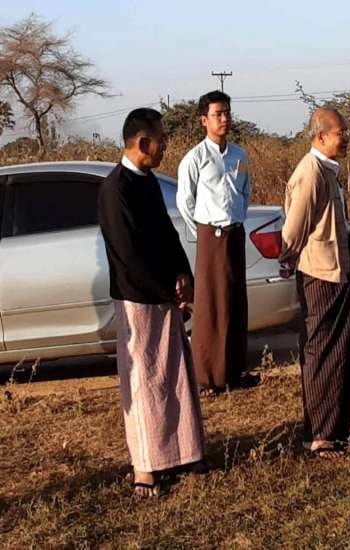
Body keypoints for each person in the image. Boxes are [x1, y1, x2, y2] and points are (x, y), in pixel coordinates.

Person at [98, 108, 205, 497]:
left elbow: (167, 235)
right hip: (138, 299)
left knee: (174, 377)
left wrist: (184, 274)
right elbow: (128, 254)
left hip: (164, 295)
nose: (165, 146)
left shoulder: (147, 182)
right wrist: (165, 289)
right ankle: (145, 467)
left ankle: (181, 453)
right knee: (144, 384)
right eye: (162, 139)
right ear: (143, 142)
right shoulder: (116, 189)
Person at [280, 108, 350, 459]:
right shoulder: (310, 173)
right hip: (321, 273)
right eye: (341, 133)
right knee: (323, 351)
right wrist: (287, 259)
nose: (346, 138)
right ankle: (321, 434)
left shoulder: (328, 169)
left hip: (341, 268)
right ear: (321, 136)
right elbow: (294, 228)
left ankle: (349, 420)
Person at [177, 90, 254, 396]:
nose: (224, 119)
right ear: (204, 120)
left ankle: (234, 371)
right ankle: (208, 377)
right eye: (217, 114)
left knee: (235, 301)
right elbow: (185, 201)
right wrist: (205, 232)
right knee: (210, 304)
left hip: (235, 232)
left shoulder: (239, 156)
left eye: (227, 113)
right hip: (211, 235)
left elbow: (245, 192)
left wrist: (237, 219)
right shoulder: (195, 158)